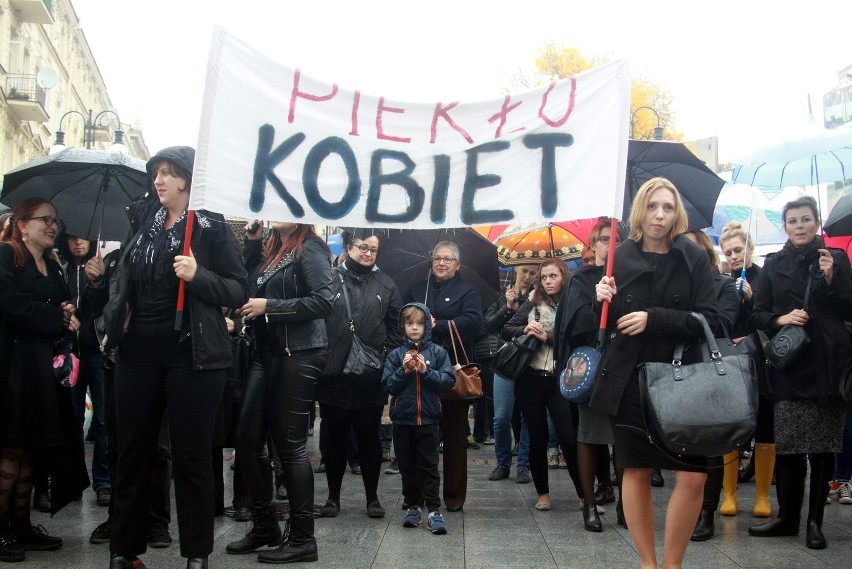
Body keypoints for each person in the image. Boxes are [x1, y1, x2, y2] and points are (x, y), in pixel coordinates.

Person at [104, 146, 249, 569]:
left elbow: (238, 288)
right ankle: (124, 550)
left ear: (188, 179)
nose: (159, 180)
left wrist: (198, 275)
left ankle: (196, 554)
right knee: (133, 451)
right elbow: (127, 284)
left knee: (190, 455)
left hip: (192, 352)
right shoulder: (142, 221)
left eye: (168, 173)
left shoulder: (210, 226)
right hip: (137, 350)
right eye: (156, 173)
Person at [592, 177, 720, 569]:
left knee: (694, 475)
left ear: (676, 212)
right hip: (630, 378)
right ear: (639, 212)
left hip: (685, 377)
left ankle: (673, 564)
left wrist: (655, 318)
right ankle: (648, 563)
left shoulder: (692, 256)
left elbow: (712, 319)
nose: (659, 214)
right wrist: (601, 301)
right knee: (636, 469)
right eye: (652, 206)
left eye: (667, 206)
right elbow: (606, 328)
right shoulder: (620, 257)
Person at [749, 195, 852, 550]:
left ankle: (815, 522)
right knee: (789, 445)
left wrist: (832, 278)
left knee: (823, 446)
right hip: (791, 362)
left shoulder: (836, 259)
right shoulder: (774, 264)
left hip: (827, 361)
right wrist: (783, 319)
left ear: (817, 221)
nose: (799, 226)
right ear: (785, 226)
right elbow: (758, 313)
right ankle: (787, 516)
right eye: (792, 221)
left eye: (806, 219)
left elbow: (850, 306)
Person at [226, 220, 333, 564]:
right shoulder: (273, 250)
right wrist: (253, 245)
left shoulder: (310, 247)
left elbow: (323, 301)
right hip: (266, 353)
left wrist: (270, 307)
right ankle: (264, 526)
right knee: (246, 437)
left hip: (299, 352)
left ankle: (303, 538)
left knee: (289, 445)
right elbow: (247, 289)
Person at [0, 198, 87, 563]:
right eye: (45, 220)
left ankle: (20, 525)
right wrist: (56, 317)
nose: (53, 226)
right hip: (12, 366)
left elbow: (59, 304)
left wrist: (68, 311)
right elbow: (11, 304)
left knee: (32, 447)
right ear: (23, 225)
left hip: (41, 368)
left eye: (55, 220)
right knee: (11, 448)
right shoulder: (6, 254)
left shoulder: (52, 263)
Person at [316, 230, 403, 519]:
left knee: (369, 438)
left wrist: (382, 356)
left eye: (374, 249)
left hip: (369, 374)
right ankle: (332, 498)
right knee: (335, 438)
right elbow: (317, 319)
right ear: (350, 246)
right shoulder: (328, 278)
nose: (368, 253)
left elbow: (396, 327)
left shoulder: (386, 283)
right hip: (334, 373)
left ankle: (372, 498)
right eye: (363, 247)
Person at [553, 218, 622, 531]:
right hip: (595, 368)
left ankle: (626, 504)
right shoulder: (582, 279)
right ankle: (589, 505)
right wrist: (598, 302)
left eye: (616, 239)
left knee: (626, 438)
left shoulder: (632, 275)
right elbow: (575, 325)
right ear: (593, 245)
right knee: (589, 435)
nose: (611, 244)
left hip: (626, 364)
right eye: (605, 238)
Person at [405, 241, 482, 512]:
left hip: (452, 370)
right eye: (437, 258)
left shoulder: (467, 291)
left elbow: (474, 322)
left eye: (448, 259)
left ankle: (453, 496)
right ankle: (420, 495)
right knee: (421, 436)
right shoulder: (417, 289)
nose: (442, 263)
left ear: (457, 264)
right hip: (420, 371)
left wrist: (442, 324)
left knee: (454, 436)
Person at [503, 259, 582, 515]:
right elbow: (507, 328)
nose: (548, 281)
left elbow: (578, 338)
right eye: (544, 277)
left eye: (553, 276)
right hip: (531, 378)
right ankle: (543, 494)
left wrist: (547, 337)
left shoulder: (573, 304)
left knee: (568, 438)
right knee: (537, 437)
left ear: (564, 277)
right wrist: (525, 327)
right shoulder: (532, 301)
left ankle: (584, 495)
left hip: (561, 378)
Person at [683, 228, 739, 541]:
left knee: (712, 445)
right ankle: (690, 507)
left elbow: (723, 324)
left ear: (705, 250)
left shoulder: (724, 284)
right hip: (682, 368)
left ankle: (707, 512)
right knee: (686, 443)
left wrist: (686, 317)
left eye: (692, 248)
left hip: (713, 368)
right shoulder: (675, 284)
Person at [384, 303, 456, 534]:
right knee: (406, 466)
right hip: (403, 420)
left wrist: (426, 371)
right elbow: (388, 385)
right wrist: (403, 371)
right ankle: (412, 505)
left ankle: (434, 509)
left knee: (429, 466)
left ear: (427, 326)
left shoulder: (438, 352)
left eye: (419, 323)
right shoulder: (396, 355)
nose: (414, 328)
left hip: (428, 419)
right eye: (409, 323)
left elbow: (447, 382)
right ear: (402, 326)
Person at [57, 232, 112, 508]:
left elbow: (106, 306)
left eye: (84, 238)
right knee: (73, 417)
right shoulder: (60, 269)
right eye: (72, 238)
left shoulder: (102, 268)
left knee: (102, 420)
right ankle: (75, 479)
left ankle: (103, 481)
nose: (78, 243)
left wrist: (98, 280)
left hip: (97, 350)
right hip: (69, 352)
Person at [485, 264, 536, 484]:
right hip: (505, 363)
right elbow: (489, 326)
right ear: (516, 270)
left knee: (527, 417)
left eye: (533, 273)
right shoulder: (500, 296)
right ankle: (502, 462)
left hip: (529, 362)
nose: (528, 276)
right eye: (524, 271)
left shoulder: (537, 298)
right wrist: (508, 306)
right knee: (502, 416)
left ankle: (523, 465)